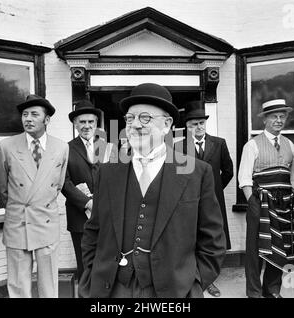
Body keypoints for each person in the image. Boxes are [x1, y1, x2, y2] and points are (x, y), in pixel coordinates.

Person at [78, 83, 226, 298]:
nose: (135, 125)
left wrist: (194, 282)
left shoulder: (197, 173)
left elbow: (213, 240)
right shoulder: (108, 173)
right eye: (130, 119)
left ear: (167, 125)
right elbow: (93, 231)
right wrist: (91, 277)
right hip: (113, 289)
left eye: (145, 118)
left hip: (174, 291)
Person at [0, 94, 69, 298]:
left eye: (34, 114)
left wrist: (39, 202)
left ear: (47, 120)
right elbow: (1, 186)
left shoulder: (61, 147)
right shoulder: (6, 146)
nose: (28, 118)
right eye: (25, 114)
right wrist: (20, 205)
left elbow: (58, 184)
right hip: (18, 221)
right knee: (18, 283)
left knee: (49, 283)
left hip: (46, 221)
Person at [238, 99, 294, 298]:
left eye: (282, 116)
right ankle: (254, 293)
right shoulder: (252, 145)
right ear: (264, 119)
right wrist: (253, 204)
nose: (279, 120)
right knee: (255, 250)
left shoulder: (289, 144)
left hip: (283, 206)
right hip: (260, 203)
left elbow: (293, 177)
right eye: (274, 116)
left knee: (280, 248)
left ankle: (271, 290)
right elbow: (244, 179)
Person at [182, 100, 234, 297]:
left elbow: (228, 171)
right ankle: (192, 277)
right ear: (187, 126)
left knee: (211, 237)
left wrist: (214, 188)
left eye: (201, 123)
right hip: (188, 200)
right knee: (191, 237)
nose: (198, 127)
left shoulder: (219, 143)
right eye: (194, 124)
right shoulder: (179, 147)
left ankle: (209, 280)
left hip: (213, 199)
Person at [61, 99, 117, 283]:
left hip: (107, 216)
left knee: (107, 262)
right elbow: (64, 182)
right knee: (84, 265)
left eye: (90, 122)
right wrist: (87, 202)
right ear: (75, 124)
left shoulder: (109, 147)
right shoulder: (65, 149)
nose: (87, 126)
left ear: (96, 124)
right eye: (82, 122)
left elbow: (118, 179)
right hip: (79, 217)